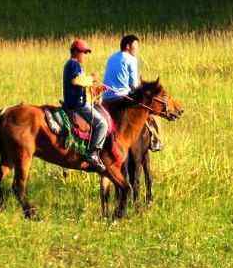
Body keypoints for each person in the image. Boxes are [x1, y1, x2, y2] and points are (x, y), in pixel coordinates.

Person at [102, 35, 163, 151]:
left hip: (106, 98)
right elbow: (134, 86)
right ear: (128, 46)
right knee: (149, 111)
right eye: (135, 46)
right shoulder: (131, 59)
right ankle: (155, 141)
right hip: (121, 98)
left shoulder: (111, 57)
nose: (137, 49)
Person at [62, 39, 108, 172]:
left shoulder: (75, 65)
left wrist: (96, 88)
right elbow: (76, 81)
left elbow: (81, 84)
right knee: (102, 124)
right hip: (77, 105)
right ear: (75, 52)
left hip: (79, 102)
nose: (85, 55)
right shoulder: (73, 64)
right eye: (83, 52)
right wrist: (91, 79)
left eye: (86, 53)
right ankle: (92, 153)